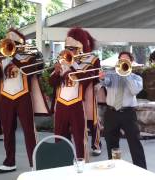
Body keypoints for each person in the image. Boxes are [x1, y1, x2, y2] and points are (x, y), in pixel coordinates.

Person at [0, 28, 49, 173]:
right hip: (5, 97)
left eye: (13, 44)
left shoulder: (28, 55)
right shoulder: (0, 56)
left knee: (29, 131)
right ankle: (10, 162)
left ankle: (34, 162)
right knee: (7, 130)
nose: (9, 47)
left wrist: (13, 55)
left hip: (23, 96)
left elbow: (31, 69)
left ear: (19, 44)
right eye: (8, 44)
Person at [49, 27, 98, 161]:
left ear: (79, 49)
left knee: (79, 139)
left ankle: (81, 166)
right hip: (61, 104)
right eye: (67, 48)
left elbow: (86, 81)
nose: (68, 51)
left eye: (71, 48)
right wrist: (57, 71)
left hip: (76, 104)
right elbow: (51, 82)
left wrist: (73, 65)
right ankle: (61, 164)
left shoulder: (88, 63)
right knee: (59, 138)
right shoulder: (61, 61)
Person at [101, 51, 147, 169]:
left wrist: (126, 74)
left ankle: (142, 171)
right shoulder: (111, 75)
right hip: (111, 113)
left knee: (134, 143)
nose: (123, 62)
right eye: (121, 60)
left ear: (131, 62)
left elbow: (134, 91)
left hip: (128, 113)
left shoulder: (137, 78)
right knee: (111, 144)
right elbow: (105, 82)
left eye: (125, 61)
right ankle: (114, 169)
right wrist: (101, 78)